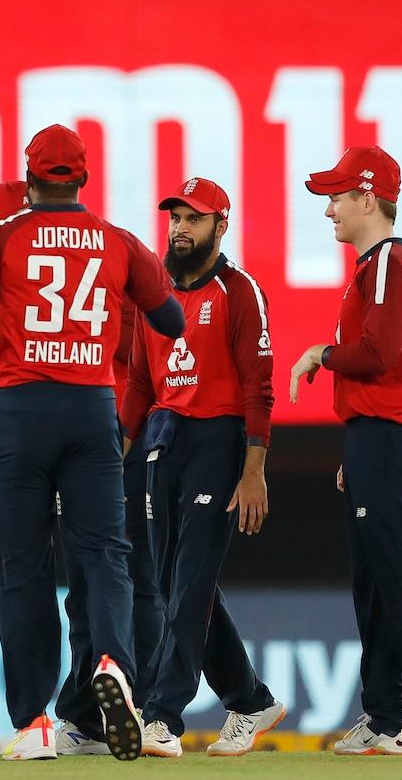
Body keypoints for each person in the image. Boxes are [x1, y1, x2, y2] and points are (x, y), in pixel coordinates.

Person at [0, 125, 185, 761]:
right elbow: (171, 320)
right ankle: (114, 666)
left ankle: (33, 721)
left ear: (30, 176)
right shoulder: (116, 240)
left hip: (21, 411)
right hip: (92, 408)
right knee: (103, 555)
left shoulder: (2, 234)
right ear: (83, 177)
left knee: (26, 568)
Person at [291, 147, 402, 755]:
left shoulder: (389, 261)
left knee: (401, 575)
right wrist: (359, 441)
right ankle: (388, 713)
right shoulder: (376, 266)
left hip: (394, 437)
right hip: (379, 436)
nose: (329, 210)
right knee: (375, 580)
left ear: (369, 198)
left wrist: (321, 354)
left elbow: (379, 353)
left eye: (337, 197)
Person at [120, 177, 284, 758]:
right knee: (175, 583)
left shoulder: (240, 292)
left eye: (194, 219)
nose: (180, 229)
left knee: (188, 583)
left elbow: (259, 387)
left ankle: (161, 715)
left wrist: (254, 470)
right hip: (164, 440)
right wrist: (117, 445)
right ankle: (249, 698)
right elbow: (140, 380)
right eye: (175, 219)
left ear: (221, 226)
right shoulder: (155, 295)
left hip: (220, 440)